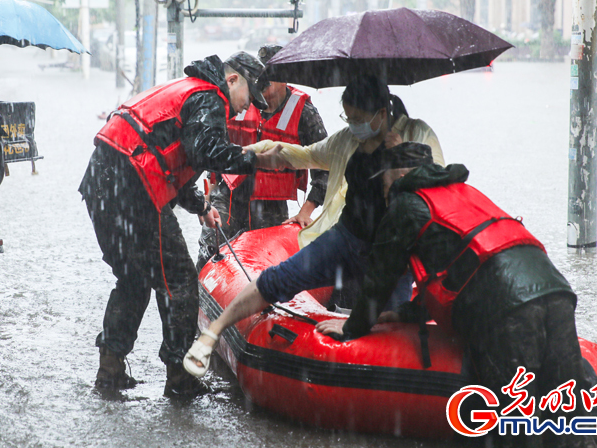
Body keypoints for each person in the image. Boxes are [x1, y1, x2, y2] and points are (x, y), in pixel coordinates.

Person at [313, 143, 595, 447]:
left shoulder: (406, 205)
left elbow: (380, 277)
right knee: (568, 411)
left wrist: (352, 326)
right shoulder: (463, 194)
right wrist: (407, 313)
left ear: (401, 175)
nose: (384, 195)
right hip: (556, 291)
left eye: (385, 185)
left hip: (507, 309)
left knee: (512, 422)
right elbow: (458, 269)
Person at [183, 74, 443, 377]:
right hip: (347, 237)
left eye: (358, 118)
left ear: (381, 114)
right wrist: (262, 152)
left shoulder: (416, 135)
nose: (352, 124)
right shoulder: (349, 138)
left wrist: (399, 157)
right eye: (348, 116)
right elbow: (308, 155)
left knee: (393, 325)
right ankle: (213, 331)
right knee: (277, 280)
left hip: (394, 247)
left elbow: (434, 186)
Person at [80, 52, 287, 397]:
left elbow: (170, 154)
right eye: (248, 98)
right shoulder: (211, 96)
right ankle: (180, 375)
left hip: (103, 185)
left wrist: (201, 205)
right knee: (180, 284)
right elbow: (205, 150)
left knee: (132, 280)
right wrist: (257, 159)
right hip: (134, 191)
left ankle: (110, 368)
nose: (245, 108)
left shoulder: (190, 90)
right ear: (233, 80)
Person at [197, 44, 328, 268]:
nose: (262, 82)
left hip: (271, 208)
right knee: (209, 254)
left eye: (269, 76)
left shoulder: (304, 111)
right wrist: (207, 197)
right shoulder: (238, 99)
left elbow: (325, 165)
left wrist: (306, 211)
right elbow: (213, 151)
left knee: (268, 265)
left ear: (284, 78)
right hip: (228, 197)